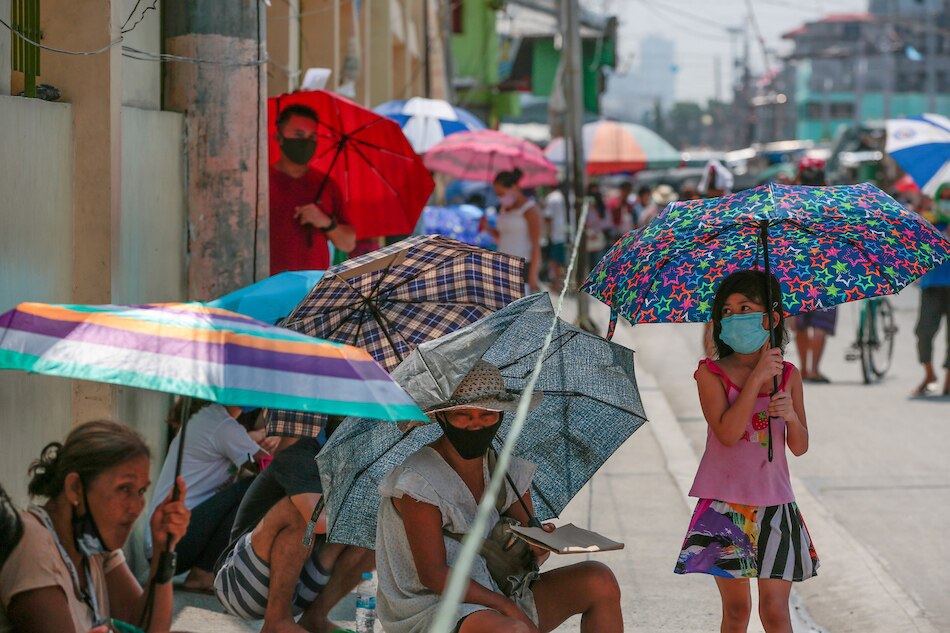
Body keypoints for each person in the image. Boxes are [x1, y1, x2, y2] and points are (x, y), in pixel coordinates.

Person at [375, 360, 623, 633]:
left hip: (501, 590)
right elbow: (433, 575)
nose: (475, 424)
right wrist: (507, 608)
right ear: (442, 416)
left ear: (502, 414)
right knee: (511, 629)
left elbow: (529, 547)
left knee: (599, 579)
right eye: (463, 415)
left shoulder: (508, 472)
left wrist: (539, 545)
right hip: (435, 605)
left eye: (487, 414)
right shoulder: (419, 481)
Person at [675, 270, 818, 633]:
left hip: (776, 505)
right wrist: (755, 381)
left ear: (770, 318)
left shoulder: (787, 375)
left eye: (745, 308)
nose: (735, 316)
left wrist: (789, 415)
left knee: (775, 611)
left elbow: (799, 447)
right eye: (727, 310)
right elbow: (726, 432)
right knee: (737, 611)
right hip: (725, 505)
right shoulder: (710, 374)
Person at [0, 420, 191, 633]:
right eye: (124, 488)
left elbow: (148, 627)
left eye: (141, 491)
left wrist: (164, 550)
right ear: (75, 488)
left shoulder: (93, 544)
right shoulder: (32, 539)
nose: (137, 507)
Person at [214, 436, 373, 633]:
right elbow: (319, 523)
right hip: (241, 585)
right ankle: (277, 620)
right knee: (302, 513)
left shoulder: (348, 462)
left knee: (371, 534)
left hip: (300, 587)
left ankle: (315, 617)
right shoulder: (300, 452)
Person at [146, 400, 276, 593]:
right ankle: (203, 573)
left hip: (166, 542)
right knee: (257, 489)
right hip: (171, 542)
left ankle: (204, 571)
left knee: (251, 488)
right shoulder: (221, 424)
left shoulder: (212, 419)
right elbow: (268, 469)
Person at [270, 103, 356, 275]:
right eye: (299, 135)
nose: (306, 142)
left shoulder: (327, 185)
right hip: (264, 285)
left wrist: (326, 222)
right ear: (279, 137)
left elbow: (348, 243)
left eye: (313, 136)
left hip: (314, 288)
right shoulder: (260, 183)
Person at [790, 157, 838, 383]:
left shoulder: (791, 203)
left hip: (798, 269)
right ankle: (815, 369)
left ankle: (804, 368)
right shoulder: (831, 203)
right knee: (820, 322)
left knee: (801, 321)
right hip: (827, 268)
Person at [913, 183, 950, 396]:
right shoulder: (929, 220)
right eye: (944, 197)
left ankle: (948, 380)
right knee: (923, 332)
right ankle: (929, 373)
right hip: (932, 285)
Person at [480, 169, 543, 292]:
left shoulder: (530, 210)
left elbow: (536, 245)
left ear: (514, 187)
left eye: (501, 193)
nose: (499, 197)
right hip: (502, 266)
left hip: (522, 268)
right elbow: (501, 237)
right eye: (497, 194)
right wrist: (486, 227)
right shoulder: (504, 208)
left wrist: (533, 277)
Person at [542, 185, 568, 292]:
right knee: (561, 261)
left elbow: (548, 217)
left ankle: (556, 285)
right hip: (562, 233)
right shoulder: (561, 196)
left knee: (554, 261)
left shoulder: (551, 198)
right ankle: (561, 284)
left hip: (555, 234)